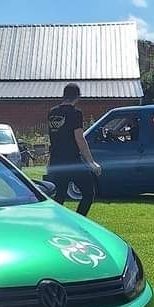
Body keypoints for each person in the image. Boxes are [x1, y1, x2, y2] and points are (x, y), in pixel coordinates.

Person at [46, 83, 101, 217]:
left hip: (56, 161)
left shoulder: (52, 112)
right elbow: (79, 139)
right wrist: (91, 162)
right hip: (72, 161)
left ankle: (55, 222)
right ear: (77, 97)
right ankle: (79, 221)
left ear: (64, 95)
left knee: (59, 195)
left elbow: (53, 139)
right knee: (88, 193)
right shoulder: (75, 113)